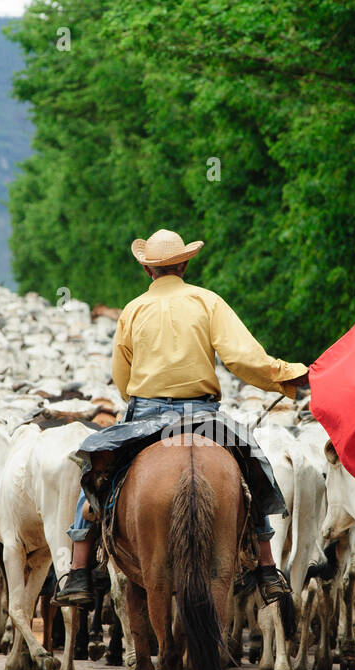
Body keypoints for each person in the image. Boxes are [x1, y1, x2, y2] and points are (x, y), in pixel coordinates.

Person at [53, 228, 309, 608]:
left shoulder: (134, 310)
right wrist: (291, 376)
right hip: (203, 416)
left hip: (145, 415)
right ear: (186, 263)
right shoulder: (208, 302)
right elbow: (243, 358)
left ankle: (78, 571)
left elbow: (122, 380)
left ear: (147, 270)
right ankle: (267, 566)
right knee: (254, 470)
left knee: (93, 471)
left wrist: (140, 395)